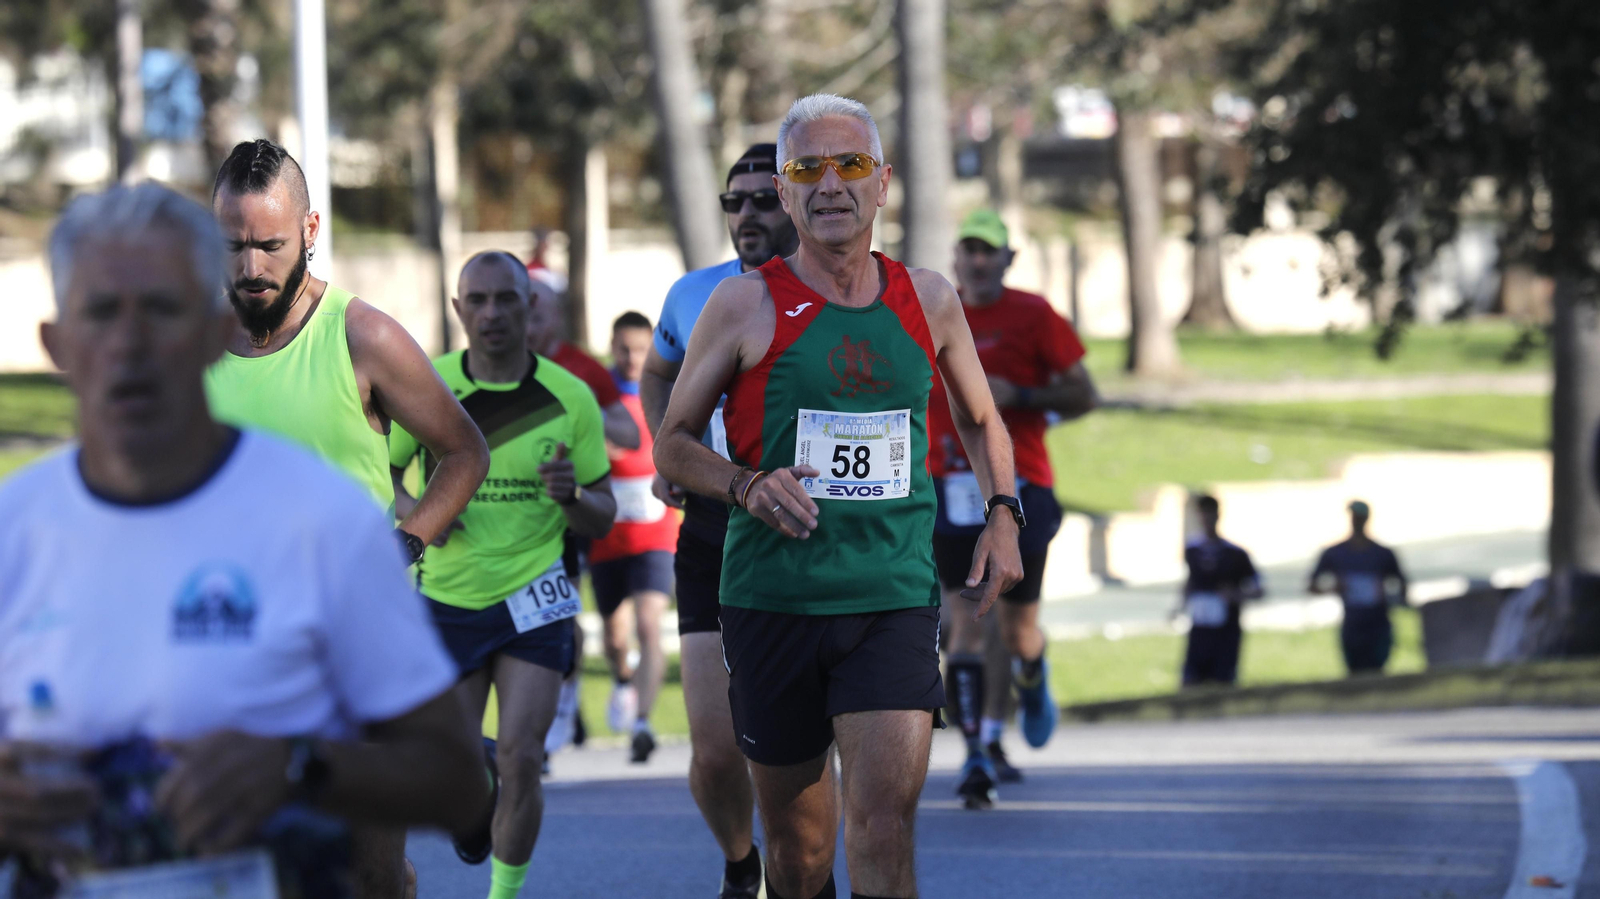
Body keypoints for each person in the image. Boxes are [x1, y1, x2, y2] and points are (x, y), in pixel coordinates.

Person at [0, 183, 488, 893]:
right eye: (102, 312)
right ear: (58, 344)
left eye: (162, 310)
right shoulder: (16, 530)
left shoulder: (321, 522)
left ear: (212, 333)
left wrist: (302, 768)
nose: (131, 344)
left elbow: (459, 782)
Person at [655, 94, 1023, 899]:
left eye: (850, 164)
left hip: (889, 593)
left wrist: (1004, 513)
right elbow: (674, 441)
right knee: (797, 852)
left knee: (884, 826)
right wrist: (746, 485)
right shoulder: (743, 303)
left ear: (883, 183)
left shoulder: (927, 298)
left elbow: (980, 416)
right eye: (806, 169)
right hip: (772, 602)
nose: (831, 184)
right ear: (785, 193)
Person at [202, 138, 490, 898]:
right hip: (233, 639)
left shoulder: (362, 334)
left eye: (269, 243)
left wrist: (403, 542)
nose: (252, 266)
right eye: (233, 246)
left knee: (368, 871)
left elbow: (464, 452)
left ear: (310, 229)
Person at [389, 251, 616, 899]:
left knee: (522, 757)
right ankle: (473, 780)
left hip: (534, 596)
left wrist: (573, 495)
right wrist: (426, 512)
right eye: (477, 300)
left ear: (529, 308)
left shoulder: (568, 396)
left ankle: (504, 894)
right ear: (459, 310)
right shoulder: (429, 386)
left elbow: (601, 517)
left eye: (506, 299)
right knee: (451, 766)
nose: (491, 313)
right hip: (450, 597)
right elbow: (381, 473)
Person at [639, 141, 799, 898]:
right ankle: (743, 866)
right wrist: (667, 450)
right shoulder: (691, 294)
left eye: (762, 198)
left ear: (798, 199)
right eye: (733, 202)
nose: (745, 215)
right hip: (712, 524)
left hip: (809, 529)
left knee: (802, 746)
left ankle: (804, 867)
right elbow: (657, 369)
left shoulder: (847, 290)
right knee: (713, 751)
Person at [931, 208, 1098, 804]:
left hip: (1022, 482)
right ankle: (977, 749)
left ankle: (1032, 669)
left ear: (1008, 259)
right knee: (965, 623)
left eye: (989, 250)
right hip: (947, 487)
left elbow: (1085, 393)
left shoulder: (1032, 315)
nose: (977, 261)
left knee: (1016, 627)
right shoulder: (929, 312)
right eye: (968, 249)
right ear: (956, 257)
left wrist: (1021, 394)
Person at [589, 312, 680, 764]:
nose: (633, 358)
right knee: (614, 637)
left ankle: (643, 723)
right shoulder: (596, 395)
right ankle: (623, 680)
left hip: (656, 530)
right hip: (607, 531)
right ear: (612, 346)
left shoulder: (666, 390)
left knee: (648, 624)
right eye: (624, 349)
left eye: (642, 350)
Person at [1309, 501, 1409, 675]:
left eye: (1360, 517)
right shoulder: (1336, 553)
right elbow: (1311, 585)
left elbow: (1402, 586)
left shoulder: (1382, 553)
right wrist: (1334, 588)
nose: (1357, 521)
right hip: (1353, 622)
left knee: (1377, 669)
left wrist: (1386, 594)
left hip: (1378, 621)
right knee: (1355, 671)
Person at [1179, 495, 1265, 687]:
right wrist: (1180, 605)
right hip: (1200, 628)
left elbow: (1259, 589)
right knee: (1192, 681)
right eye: (1203, 514)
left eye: (1210, 513)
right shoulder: (1192, 551)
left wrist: (1235, 595)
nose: (1207, 519)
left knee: (1223, 681)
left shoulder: (1236, 555)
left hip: (1226, 630)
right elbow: (1191, 581)